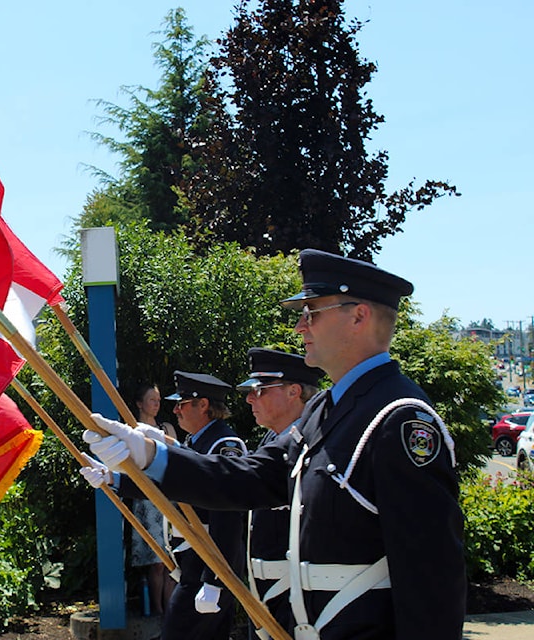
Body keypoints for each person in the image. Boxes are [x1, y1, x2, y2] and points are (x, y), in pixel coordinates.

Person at [83, 249, 465, 640]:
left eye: (311, 312)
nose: (301, 326)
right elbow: (250, 478)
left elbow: (431, 575)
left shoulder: (397, 418)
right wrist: (153, 456)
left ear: (358, 315)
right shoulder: (324, 411)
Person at [83, 371, 248, 640]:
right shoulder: (196, 443)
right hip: (193, 560)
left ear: (203, 405)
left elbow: (226, 518)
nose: (174, 410)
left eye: (181, 404)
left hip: (209, 563)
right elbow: (162, 487)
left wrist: (215, 579)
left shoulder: (223, 445)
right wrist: (113, 478)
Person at [235, 348, 321, 638]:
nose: (249, 398)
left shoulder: (313, 445)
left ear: (293, 391)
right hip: (266, 593)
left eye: (259, 390)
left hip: (296, 598)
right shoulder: (273, 438)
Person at [128, 382, 177, 616]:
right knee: (156, 561)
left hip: (168, 497)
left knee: (172, 561)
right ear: (140, 403)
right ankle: (157, 611)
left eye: (158, 400)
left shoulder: (166, 428)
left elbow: (178, 458)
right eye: (152, 400)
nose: (156, 405)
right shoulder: (130, 428)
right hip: (147, 500)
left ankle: (171, 610)